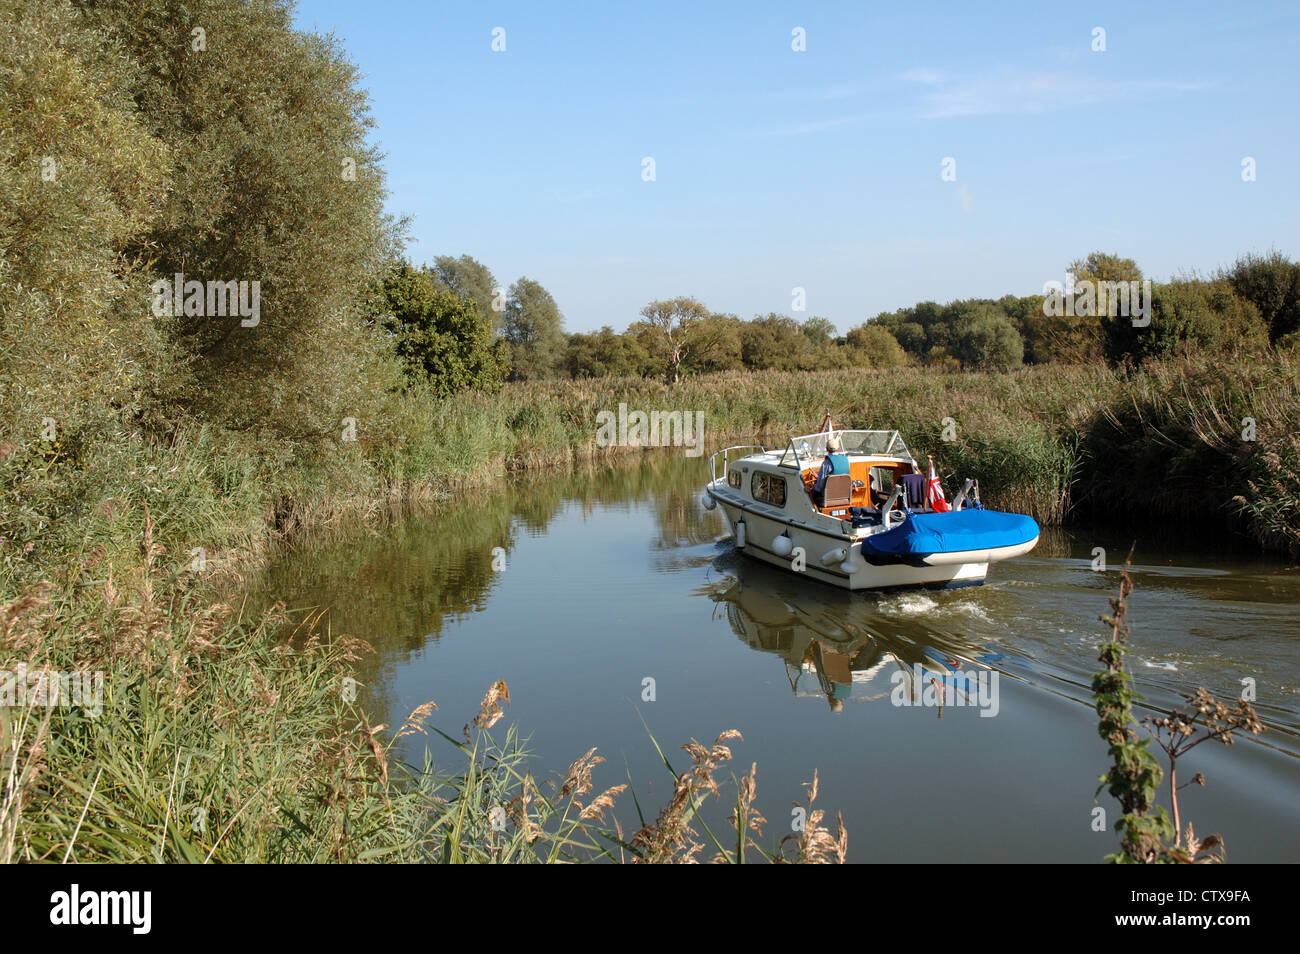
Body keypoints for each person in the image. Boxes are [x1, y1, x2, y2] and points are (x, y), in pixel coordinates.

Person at [812, 434, 850, 506]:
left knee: (812, 495)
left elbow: (819, 487)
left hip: (827, 499)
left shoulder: (827, 463)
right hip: (844, 497)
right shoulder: (846, 460)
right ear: (838, 448)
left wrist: (811, 488)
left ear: (826, 449)